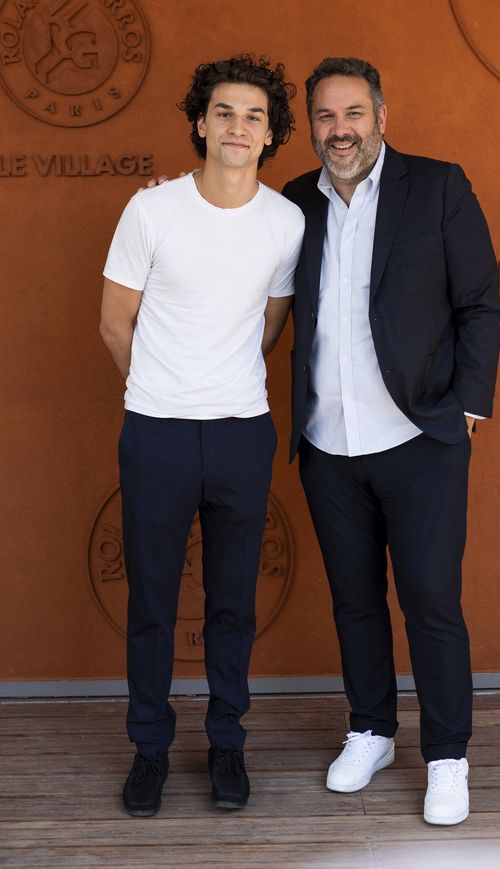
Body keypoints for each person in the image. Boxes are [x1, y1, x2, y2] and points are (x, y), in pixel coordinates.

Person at [281, 57, 500, 826]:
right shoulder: (292, 202)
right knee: (354, 602)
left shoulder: (438, 186)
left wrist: (469, 404)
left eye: (352, 114)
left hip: (420, 437)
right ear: (311, 127)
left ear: (381, 116)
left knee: (432, 601)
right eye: (325, 118)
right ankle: (371, 728)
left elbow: (479, 302)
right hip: (328, 442)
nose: (339, 131)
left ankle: (446, 754)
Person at [99, 54, 304, 817]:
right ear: (199, 121)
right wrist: (159, 383)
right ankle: (149, 747)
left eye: (254, 115)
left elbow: (270, 330)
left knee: (232, 602)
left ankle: (227, 743)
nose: (238, 127)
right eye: (224, 112)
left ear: (271, 132)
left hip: (241, 435)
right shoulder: (151, 211)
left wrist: (216, 385)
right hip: (154, 430)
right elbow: (114, 322)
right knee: (152, 599)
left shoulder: (286, 222)